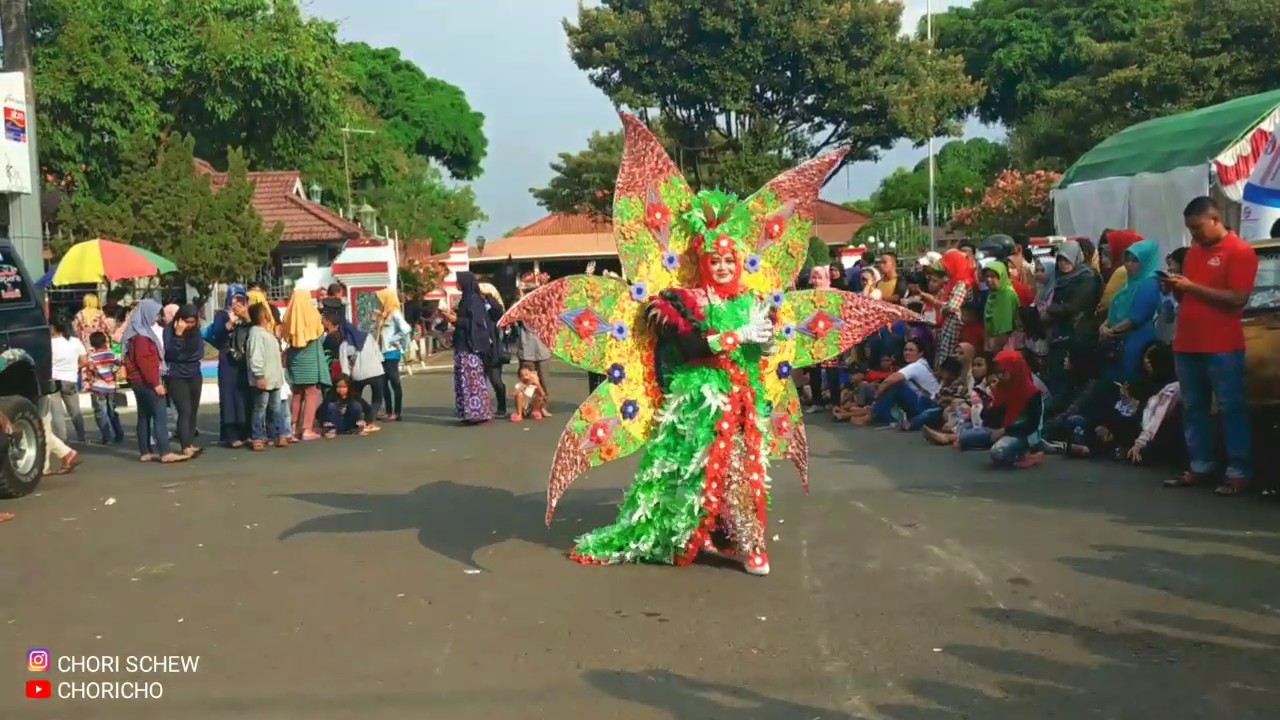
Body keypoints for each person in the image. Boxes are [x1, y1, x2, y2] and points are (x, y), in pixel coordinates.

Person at [1164, 196, 1259, 495]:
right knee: (1193, 408)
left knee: (1231, 407)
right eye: (1190, 230)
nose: (1194, 235)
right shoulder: (1194, 252)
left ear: (1216, 219)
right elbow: (1191, 297)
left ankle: (1238, 471)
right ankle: (1201, 465)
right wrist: (1177, 289)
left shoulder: (1240, 252)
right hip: (1188, 343)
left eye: (1197, 228)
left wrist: (1191, 287)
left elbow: (1236, 299)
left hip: (1222, 345)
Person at [123, 299, 186, 463]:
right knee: (160, 414)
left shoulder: (134, 333)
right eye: (155, 313)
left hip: (137, 381)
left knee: (144, 415)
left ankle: (145, 451)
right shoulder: (142, 337)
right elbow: (146, 363)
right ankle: (165, 451)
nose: (157, 317)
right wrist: (156, 383)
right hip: (146, 381)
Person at [1099, 240, 1161, 382]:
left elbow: (1136, 318)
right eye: (1126, 260)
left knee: (1128, 381)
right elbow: (1115, 308)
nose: (1128, 264)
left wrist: (1111, 331)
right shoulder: (1130, 282)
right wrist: (1104, 325)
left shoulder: (1149, 284)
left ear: (1146, 261)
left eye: (1134, 261)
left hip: (1136, 341)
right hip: (1119, 339)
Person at [445, 272, 503, 424]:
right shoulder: (465, 299)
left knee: (472, 382)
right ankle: (468, 413)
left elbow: (478, 324)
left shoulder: (473, 300)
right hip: (462, 346)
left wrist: (456, 320)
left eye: (458, 281)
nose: (456, 284)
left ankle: (477, 413)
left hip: (469, 349)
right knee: (464, 382)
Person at [204, 285, 252, 447]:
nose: (238, 302)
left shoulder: (248, 315)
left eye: (241, 299)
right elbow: (218, 333)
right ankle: (230, 435)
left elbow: (256, 330)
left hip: (244, 361)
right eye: (235, 298)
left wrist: (246, 318)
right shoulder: (222, 315)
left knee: (244, 396)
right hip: (227, 359)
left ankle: (246, 432)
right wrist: (231, 321)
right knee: (229, 396)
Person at [322, 310, 384, 431]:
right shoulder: (368, 337)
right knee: (377, 400)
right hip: (376, 372)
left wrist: (345, 380)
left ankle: (353, 419)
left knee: (355, 398)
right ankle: (369, 421)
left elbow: (345, 368)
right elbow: (378, 354)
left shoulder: (344, 346)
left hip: (357, 375)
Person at [985, 350, 1046, 468]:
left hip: (1024, 434)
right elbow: (990, 420)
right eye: (997, 373)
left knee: (998, 453)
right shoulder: (1002, 389)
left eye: (1003, 372)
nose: (999, 376)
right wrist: (991, 401)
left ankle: (1030, 453)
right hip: (1005, 430)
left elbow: (1032, 424)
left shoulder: (1032, 393)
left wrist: (1005, 430)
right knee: (968, 436)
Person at [282, 288, 329, 440]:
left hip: (295, 359)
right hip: (310, 359)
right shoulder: (313, 315)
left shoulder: (288, 315)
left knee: (297, 394)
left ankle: (293, 428)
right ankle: (307, 429)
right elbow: (320, 333)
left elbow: (285, 335)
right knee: (312, 393)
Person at [163, 304, 204, 456]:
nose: (189, 325)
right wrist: (179, 335)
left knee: (193, 410)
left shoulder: (196, 333)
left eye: (192, 322)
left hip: (194, 374)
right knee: (184, 410)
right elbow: (170, 354)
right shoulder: (169, 332)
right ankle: (184, 445)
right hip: (176, 375)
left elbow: (198, 353)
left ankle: (190, 442)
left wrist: (182, 356)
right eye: (186, 321)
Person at [921, 249, 975, 365]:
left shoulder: (962, 283)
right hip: (948, 326)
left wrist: (935, 302)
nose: (946, 270)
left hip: (953, 328)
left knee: (947, 360)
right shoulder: (954, 282)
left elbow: (952, 307)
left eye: (948, 266)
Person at [247, 303, 287, 450]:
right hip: (264, 379)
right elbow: (255, 357)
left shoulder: (267, 334)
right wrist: (259, 376)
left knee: (276, 408)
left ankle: (276, 434)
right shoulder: (256, 334)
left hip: (274, 378)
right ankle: (257, 436)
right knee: (260, 408)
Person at [374, 288, 412, 421]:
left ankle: (397, 412)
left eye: (381, 299)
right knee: (383, 383)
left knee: (395, 382)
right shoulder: (384, 314)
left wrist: (394, 340)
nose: (379, 302)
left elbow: (406, 329)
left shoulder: (395, 313)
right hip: (381, 353)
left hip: (391, 353)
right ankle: (388, 411)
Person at [49, 318, 88, 443]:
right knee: (75, 411)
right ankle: (82, 436)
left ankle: (62, 439)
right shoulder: (75, 342)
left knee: (57, 413)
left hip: (53, 380)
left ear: (54, 327)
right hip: (70, 379)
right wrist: (73, 368)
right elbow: (84, 361)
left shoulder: (48, 343)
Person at [86, 331, 124, 444]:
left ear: (92, 344)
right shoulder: (111, 354)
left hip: (98, 387)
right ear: (104, 342)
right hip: (111, 387)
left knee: (100, 413)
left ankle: (107, 437)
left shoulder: (92, 357)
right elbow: (118, 365)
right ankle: (119, 433)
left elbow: (90, 370)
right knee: (112, 411)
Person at [982, 262, 1019, 353]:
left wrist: (994, 352)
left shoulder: (1006, 295)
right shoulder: (993, 294)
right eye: (986, 276)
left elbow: (1005, 329)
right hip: (992, 343)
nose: (989, 280)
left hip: (1004, 346)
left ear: (1002, 276)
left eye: (993, 276)